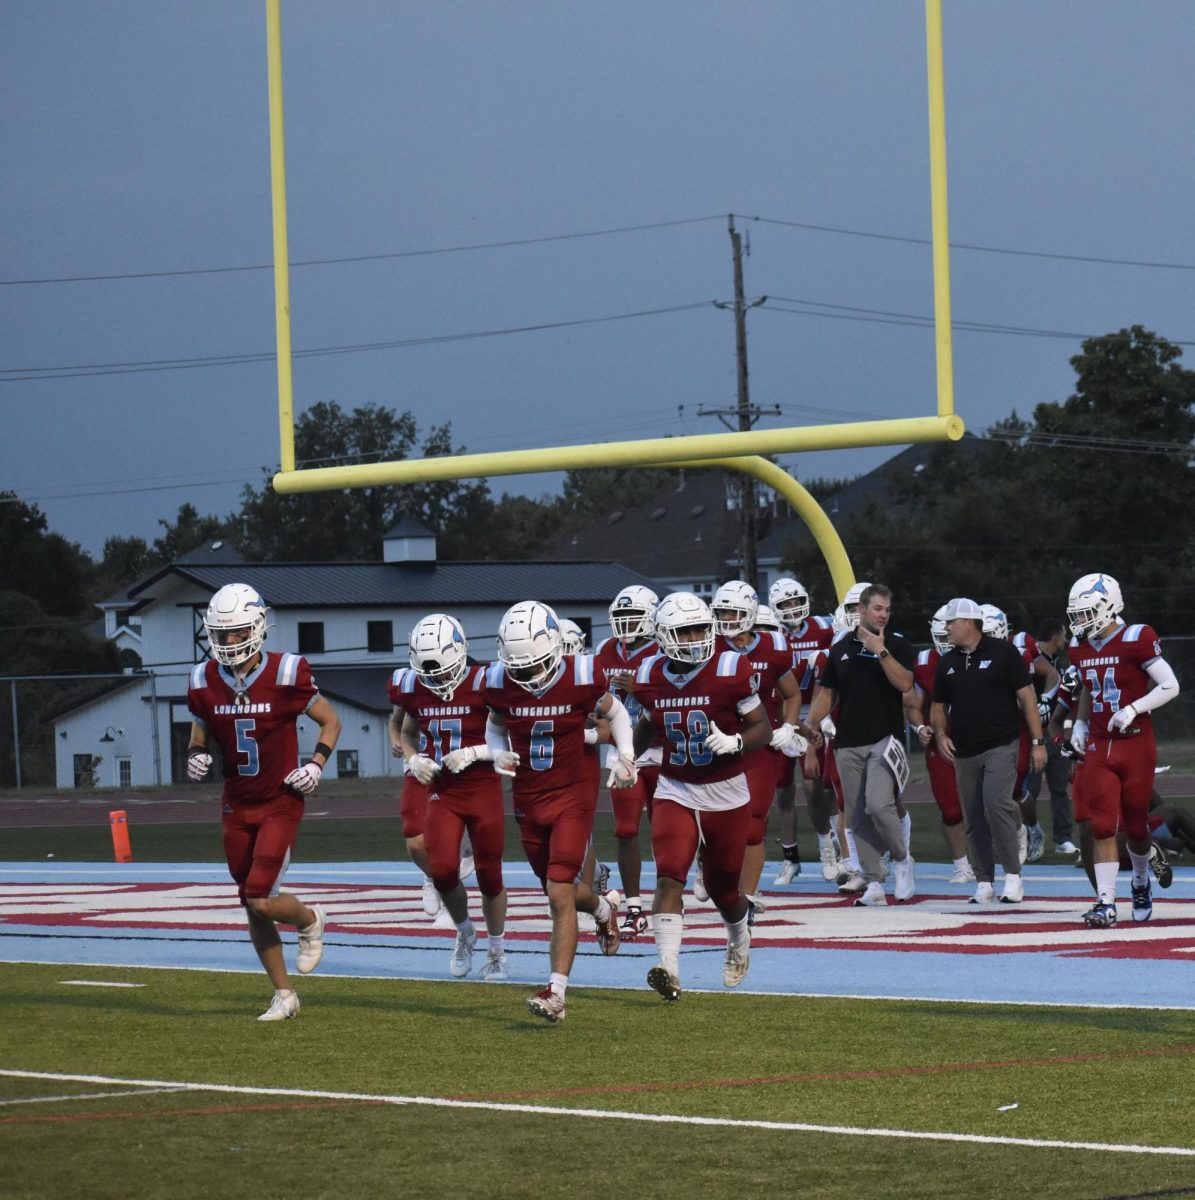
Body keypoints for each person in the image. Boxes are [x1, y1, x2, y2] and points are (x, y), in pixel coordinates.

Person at [186, 582, 342, 1021]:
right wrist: (196, 754)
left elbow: (330, 721)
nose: (228, 641)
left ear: (257, 628)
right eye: (221, 633)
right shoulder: (202, 680)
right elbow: (200, 729)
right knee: (250, 900)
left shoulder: (288, 672)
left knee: (260, 896)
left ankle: (311, 920)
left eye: (236, 632)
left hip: (280, 799)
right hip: (236, 802)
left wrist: (315, 764)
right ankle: (285, 994)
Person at [482, 600, 637, 1023]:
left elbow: (617, 712)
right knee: (563, 891)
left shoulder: (582, 674)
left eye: (535, 666)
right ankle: (604, 909)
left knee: (557, 893)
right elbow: (495, 724)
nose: (529, 675)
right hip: (529, 798)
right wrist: (498, 755)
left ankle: (556, 993)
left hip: (573, 795)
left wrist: (625, 755)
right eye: (521, 667)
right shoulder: (498, 678)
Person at [631, 592, 772, 1002]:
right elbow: (644, 724)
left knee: (723, 888)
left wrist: (737, 742)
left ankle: (738, 938)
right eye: (683, 630)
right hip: (675, 786)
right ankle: (668, 967)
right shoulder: (648, 674)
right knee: (669, 872)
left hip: (726, 791)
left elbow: (762, 727)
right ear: (662, 636)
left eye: (699, 628)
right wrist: (626, 757)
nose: (694, 637)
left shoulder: (731, 666)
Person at [391, 614, 509, 981]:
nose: (437, 678)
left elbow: (508, 742)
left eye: (442, 669)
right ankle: (465, 931)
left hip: (483, 787)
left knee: (490, 877)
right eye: (429, 671)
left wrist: (474, 753)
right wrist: (414, 758)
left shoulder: (487, 681)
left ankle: (497, 951)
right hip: (445, 791)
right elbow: (407, 733)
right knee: (442, 870)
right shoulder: (413, 685)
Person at [1066, 573, 1180, 926]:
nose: (1079, 622)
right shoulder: (1079, 645)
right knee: (1101, 824)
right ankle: (1106, 902)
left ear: (1108, 606)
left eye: (1086, 613)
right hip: (1101, 745)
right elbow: (1088, 686)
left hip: (1135, 744)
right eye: (1077, 615)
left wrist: (1134, 708)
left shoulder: (1136, 637)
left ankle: (1141, 880)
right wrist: (1081, 724)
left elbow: (1170, 685)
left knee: (1135, 826)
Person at [931, 598, 1046, 906]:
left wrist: (1038, 742)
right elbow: (938, 705)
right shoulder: (947, 662)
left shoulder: (1004, 653)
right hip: (964, 750)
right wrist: (941, 733)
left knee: (996, 804)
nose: (947, 629)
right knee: (972, 815)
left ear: (968, 623)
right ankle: (983, 880)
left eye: (951, 623)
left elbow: (1027, 698)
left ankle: (1013, 876)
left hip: (1000, 744)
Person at [807, 583, 917, 907]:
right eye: (877, 608)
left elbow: (905, 683)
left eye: (887, 609)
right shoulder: (841, 647)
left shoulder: (897, 643)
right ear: (861, 610)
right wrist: (812, 724)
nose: (883, 615)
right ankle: (874, 882)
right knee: (855, 815)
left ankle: (901, 860)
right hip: (847, 742)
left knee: (879, 804)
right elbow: (828, 692)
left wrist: (880, 649)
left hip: (886, 738)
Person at [709, 581, 804, 920]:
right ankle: (714, 876)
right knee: (715, 823)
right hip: (719, 746)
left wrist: (789, 726)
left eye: (733, 612)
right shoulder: (709, 646)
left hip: (759, 747)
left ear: (749, 614)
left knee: (752, 827)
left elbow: (792, 694)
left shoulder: (774, 647)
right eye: (721, 612)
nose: (726, 619)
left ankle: (746, 897)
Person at [593, 585, 661, 941]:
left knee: (667, 829)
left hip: (662, 748)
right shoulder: (605, 650)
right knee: (625, 830)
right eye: (620, 618)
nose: (626, 625)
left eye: (633, 617)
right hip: (623, 750)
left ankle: (669, 899)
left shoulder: (664, 647)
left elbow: (674, 696)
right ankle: (635, 905)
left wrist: (640, 689)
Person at [769, 576, 838, 883]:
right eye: (786, 604)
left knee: (816, 785)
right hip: (781, 713)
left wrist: (824, 716)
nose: (794, 608)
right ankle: (790, 858)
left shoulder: (824, 628)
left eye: (797, 601)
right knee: (782, 791)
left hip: (815, 709)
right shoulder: (770, 634)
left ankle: (829, 848)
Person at [909, 605, 974, 884]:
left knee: (987, 804)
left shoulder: (977, 653)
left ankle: (989, 860)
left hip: (977, 739)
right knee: (950, 807)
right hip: (940, 743)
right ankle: (962, 865)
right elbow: (914, 703)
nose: (947, 640)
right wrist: (919, 727)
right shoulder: (925, 661)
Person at [1020, 617, 1077, 856]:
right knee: (1027, 790)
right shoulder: (1031, 661)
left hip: (1056, 735)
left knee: (1060, 788)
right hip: (1034, 735)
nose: (1065, 640)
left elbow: (1069, 705)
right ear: (1055, 637)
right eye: (1063, 635)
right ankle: (1029, 834)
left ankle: (1063, 838)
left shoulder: (1063, 667)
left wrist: (1068, 736)